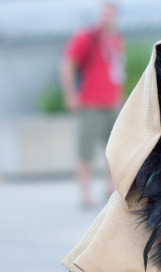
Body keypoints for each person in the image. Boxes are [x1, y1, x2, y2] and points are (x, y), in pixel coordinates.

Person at [61, 2, 125, 207]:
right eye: (104, 12)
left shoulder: (116, 40)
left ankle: (110, 189)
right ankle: (85, 194)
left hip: (111, 103)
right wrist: (70, 93)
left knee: (114, 150)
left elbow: (117, 71)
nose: (107, 17)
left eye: (111, 13)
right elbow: (68, 64)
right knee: (85, 150)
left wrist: (119, 97)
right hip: (90, 103)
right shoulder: (86, 37)